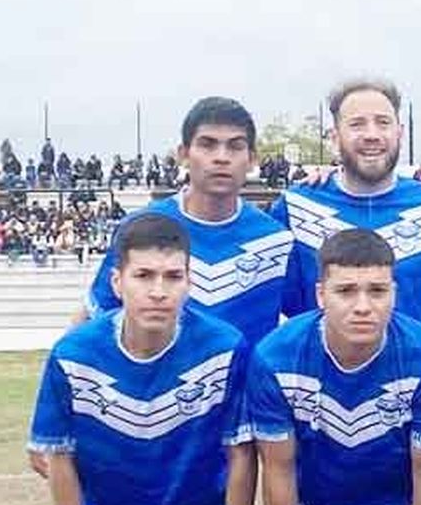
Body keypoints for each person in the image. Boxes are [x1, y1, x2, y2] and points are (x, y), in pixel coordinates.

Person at [27, 213, 255, 505]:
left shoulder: (225, 349)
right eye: (144, 276)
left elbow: (241, 454)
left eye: (173, 277)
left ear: (189, 282)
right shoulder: (72, 355)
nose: (159, 291)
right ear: (117, 282)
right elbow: (60, 458)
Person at [246, 228, 421, 505]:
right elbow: (278, 469)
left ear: (394, 293)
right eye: (345, 291)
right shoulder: (275, 359)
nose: (362, 306)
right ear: (320, 295)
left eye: (377, 291)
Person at [271, 77, 421, 328]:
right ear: (334, 138)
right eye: (357, 124)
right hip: (317, 366)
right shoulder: (295, 207)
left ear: (400, 133)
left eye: (383, 122)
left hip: (409, 366)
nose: (372, 134)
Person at [81, 97, 294, 346]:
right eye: (207, 145)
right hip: (160, 384)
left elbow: (317, 321)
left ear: (252, 159)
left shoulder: (276, 239)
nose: (221, 158)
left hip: (244, 385)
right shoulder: (140, 227)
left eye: (235, 147)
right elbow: (95, 317)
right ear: (183, 154)